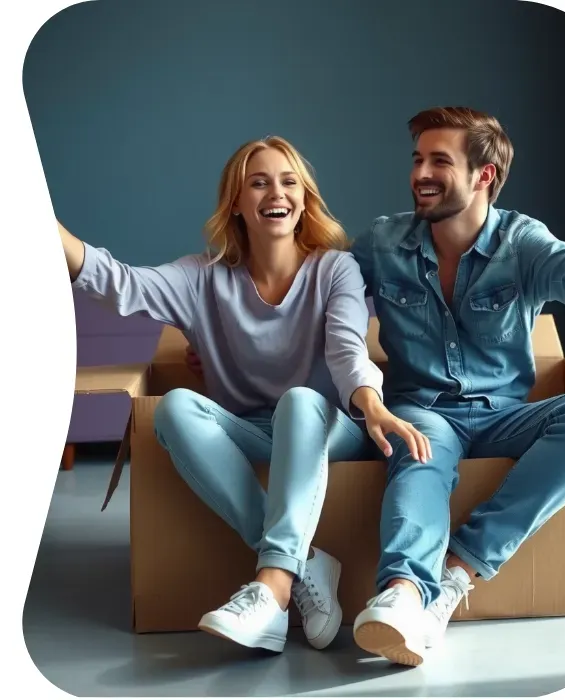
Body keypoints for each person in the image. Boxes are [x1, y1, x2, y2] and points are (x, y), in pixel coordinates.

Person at [58, 135, 430, 655]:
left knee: (298, 401)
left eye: (288, 181)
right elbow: (119, 283)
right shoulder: (202, 278)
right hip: (254, 433)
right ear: (236, 201)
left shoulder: (334, 268)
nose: (274, 192)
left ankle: (273, 586)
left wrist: (370, 403)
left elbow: (348, 349)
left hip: (327, 432)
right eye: (258, 182)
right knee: (175, 408)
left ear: (304, 199)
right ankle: (305, 566)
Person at [344, 106, 565, 666]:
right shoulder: (381, 242)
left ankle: (458, 573)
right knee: (417, 448)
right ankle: (402, 594)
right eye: (418, 158)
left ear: (484, 175)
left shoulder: (521, 241)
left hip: (504, 415)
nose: (420, 172)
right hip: (423, 410)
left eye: (439, 161)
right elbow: (325, 304)